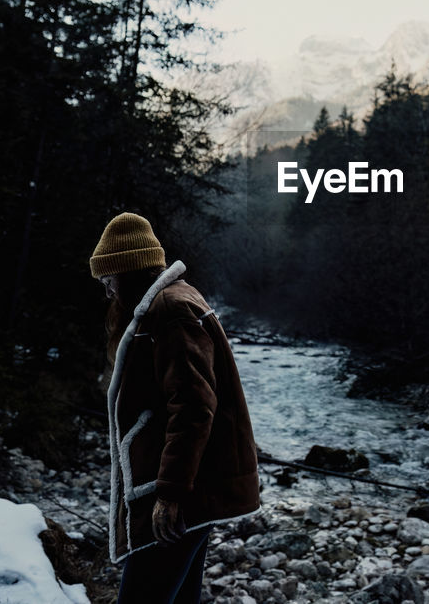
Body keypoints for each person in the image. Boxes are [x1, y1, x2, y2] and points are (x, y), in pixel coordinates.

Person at [90, 212, 261, 604]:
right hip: (194, 485)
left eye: (108, 279)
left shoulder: (169, 311)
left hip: (186, 490)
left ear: (129, 272)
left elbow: (193, 406)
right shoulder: (175, 300)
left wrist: (169, 494)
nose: (108, 292)